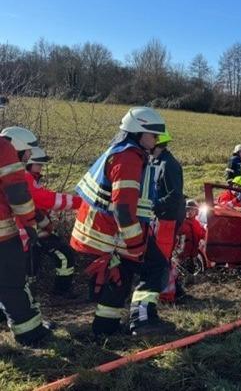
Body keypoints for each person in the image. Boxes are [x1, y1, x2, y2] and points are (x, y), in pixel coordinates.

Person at [71, 106, 174, 337]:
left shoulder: (123, 152)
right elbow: (123, 209)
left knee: (120, 276)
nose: (157, 139)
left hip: (107, 231)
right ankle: (144, 320)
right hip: (113, 232)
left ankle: (105, 328)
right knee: (156, 266)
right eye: (154, 134)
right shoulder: (128, 157)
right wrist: (136, 243)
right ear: (138, 132)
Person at [0, 126, 51, 346]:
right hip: (2, 237)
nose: (29, 158)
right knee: (12, 283)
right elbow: (18, 196)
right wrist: (31, 224)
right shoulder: (4, 148)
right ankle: (30, 333)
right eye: (27, 153)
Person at [24, 146, 82, 296]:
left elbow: (39, 209)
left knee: (65, 255)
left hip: (36, 235)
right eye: (39, 164)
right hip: (29, 237)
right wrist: (81, 203)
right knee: (29, 269)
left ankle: (60, 291)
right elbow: (46, 200)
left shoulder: (31, 179)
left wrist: (47, 226)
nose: (41, 168)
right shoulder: (25, 180)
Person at [152, 131, 185, 261]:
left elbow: (175, 195)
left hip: (169, 217)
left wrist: (155, 205)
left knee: (162, 256)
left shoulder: (169, 165)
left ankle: (165, 280)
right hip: (162, 215)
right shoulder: (159, 161)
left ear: (157, 144)